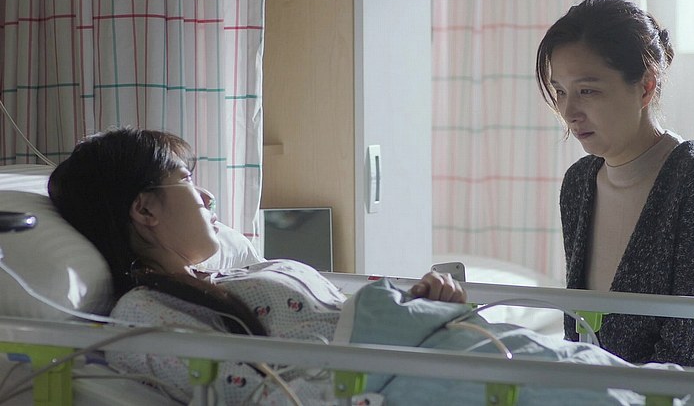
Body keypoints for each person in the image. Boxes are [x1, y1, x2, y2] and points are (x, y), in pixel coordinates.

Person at [47, 127, 468, 404]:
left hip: (440, 357)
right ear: (144, 210)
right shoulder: (143, 316)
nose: (207, 196)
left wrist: (420, 306)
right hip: (409, 383)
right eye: (187, 179)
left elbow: (338, 320)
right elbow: (254, 397)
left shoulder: (232, 276)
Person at [535, 0, 694, 369]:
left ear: (645, 87)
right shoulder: (579, 184)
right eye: (560, 91)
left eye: (587, 91)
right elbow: (581, 329)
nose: (569, 111)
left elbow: (692, 351)